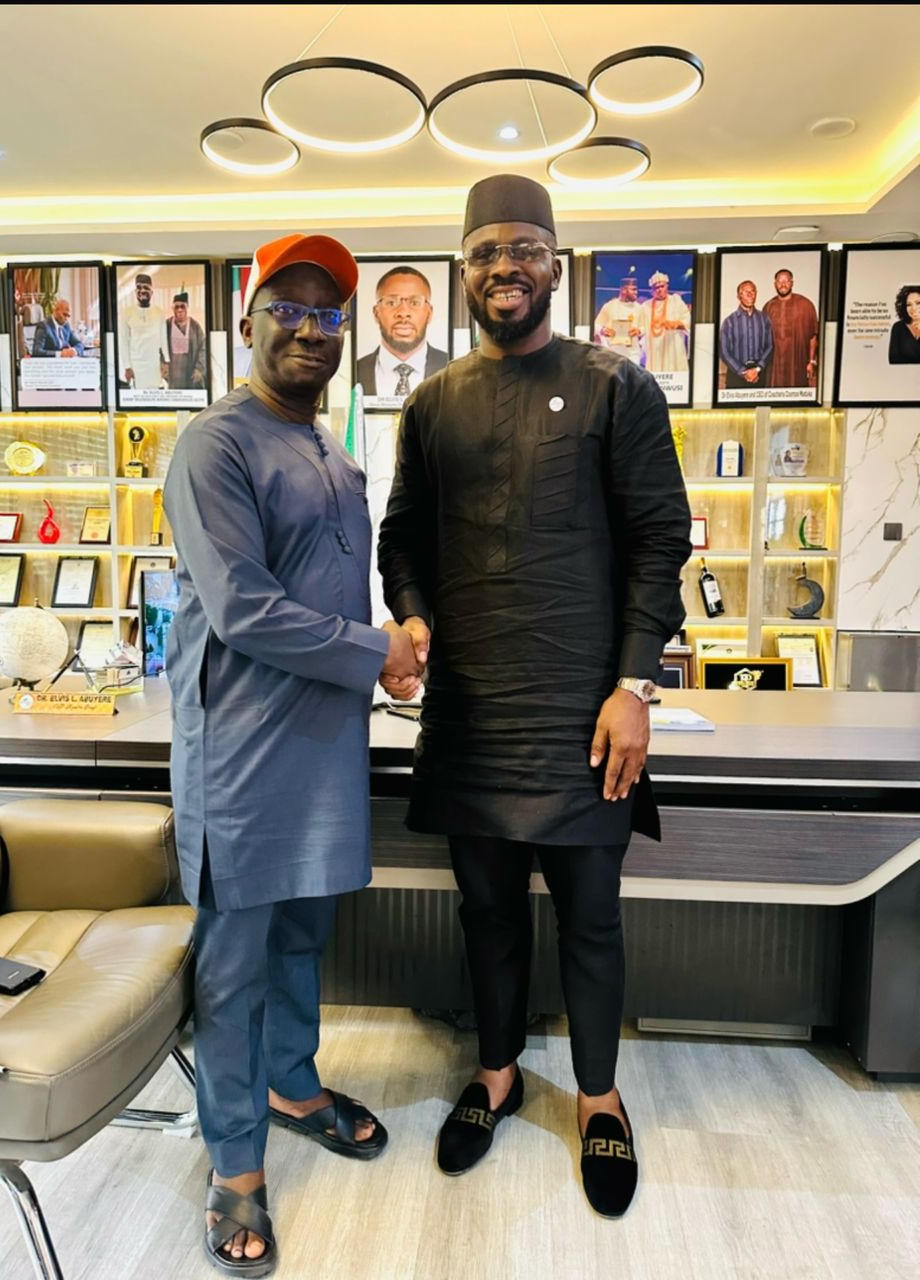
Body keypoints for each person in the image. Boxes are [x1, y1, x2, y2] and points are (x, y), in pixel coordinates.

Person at [378, 175, 691, 1219]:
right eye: (484, 252)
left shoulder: (617, 386)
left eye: (523, 248)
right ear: (462, 270)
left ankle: (599, 1097)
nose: (503, 267)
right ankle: (499, 1072)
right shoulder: (431, 404)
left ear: (557, 263)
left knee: (592, 919)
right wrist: (412, 617)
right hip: (471, 713)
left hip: (584, 713)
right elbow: (401, 540)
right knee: (487, 912)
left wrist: (634, 683)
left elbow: (660, 539)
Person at [164, 232, 421, 1275]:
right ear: (247, 321)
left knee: (303, 937)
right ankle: (234, 1162)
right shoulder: (214, 445)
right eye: (290, 308)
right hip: (240, 751)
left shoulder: (335, 453)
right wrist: (377, 651)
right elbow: (243, 607)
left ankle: (293, 1083)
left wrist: (398, 640)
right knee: (233, 967)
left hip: (321, 743)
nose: (311, 329)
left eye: (329, 313)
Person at [356, 265, 448, 398]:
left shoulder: (453, 369)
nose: (403, 313)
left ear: (429, 313)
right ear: (376, 313)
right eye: (391, 303)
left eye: (414, 303)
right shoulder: (354, 370)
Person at [762, 268, 819, 387]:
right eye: (779, 281)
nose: (783, 284)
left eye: (786, 281)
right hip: (775, 366)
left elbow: (813, 337)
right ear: (775, 284)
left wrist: (811, 361)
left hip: (798, 363)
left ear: (792, 283)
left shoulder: (805, 305)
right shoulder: (768, 307)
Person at [118, 272, 169, 389]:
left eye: (146, 287)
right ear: (135, 291)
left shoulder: (159, 312)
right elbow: (124, 342)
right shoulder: (127, 313)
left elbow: (164, 339)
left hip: (154, 364)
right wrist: (127, 367)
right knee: (138, 396)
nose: (142, 291)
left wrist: (166, 361)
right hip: (136, 365)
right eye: (139, 287)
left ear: (152, 291)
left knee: (154, 395)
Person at [719, 280, 773, 390]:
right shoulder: (729, 321)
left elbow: (770, 346)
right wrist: (743, 371)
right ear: (739, 296)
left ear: (756, 294)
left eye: (752, 291)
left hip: (759, 375)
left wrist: (757, 369)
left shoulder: (764, 319)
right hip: (736, 375)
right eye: (745, 291)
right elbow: (724, 351)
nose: (749, 294)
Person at [639, 271, 690, 372]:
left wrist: (676, 324)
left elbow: (687, 320)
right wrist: (638, 331)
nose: (659, 290)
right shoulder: (645, 306)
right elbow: (642, 326)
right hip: (654, 349)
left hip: (673, 346)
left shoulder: (676, 301)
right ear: (651, 291)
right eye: (656, 288)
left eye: (662, 286)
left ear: (667, 286)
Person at [593, 276, 644, 365]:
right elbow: (596, 325)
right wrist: (603, 330)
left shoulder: (639, 308)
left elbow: (645, 327)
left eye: (636, 289)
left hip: (632, 353)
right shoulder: (609, 306)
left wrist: (639, 331)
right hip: (612, 352)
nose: (636, 292)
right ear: (623, 290)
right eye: (633, 289)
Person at [165, 291, 207, 389]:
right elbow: (158, 346)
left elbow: (203, 348)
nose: (179, 310)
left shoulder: (195, 327)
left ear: (187, 307)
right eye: (176, 307)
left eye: (182, 306)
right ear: (173, 308)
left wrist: (199, 369)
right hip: (172, 375)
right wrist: (162, 365)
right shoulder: (166, 325)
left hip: (189, 373)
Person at [888, 285, 920, 364]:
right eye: (909, 304)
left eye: (918, 303)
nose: (913, 308)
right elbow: (893, 360)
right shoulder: (898, 327)